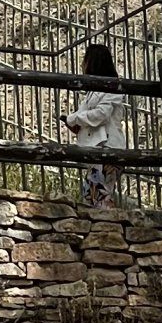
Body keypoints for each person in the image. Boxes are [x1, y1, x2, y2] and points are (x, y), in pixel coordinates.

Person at [63, 41, 128, 206]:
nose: (82, 64)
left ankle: (109, 223)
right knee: (93, 197)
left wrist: (75, 119)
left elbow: (101, 114)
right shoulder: (95, 91)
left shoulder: (111, 88)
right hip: (97, 149)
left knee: (99, 198)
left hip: (107, 147)